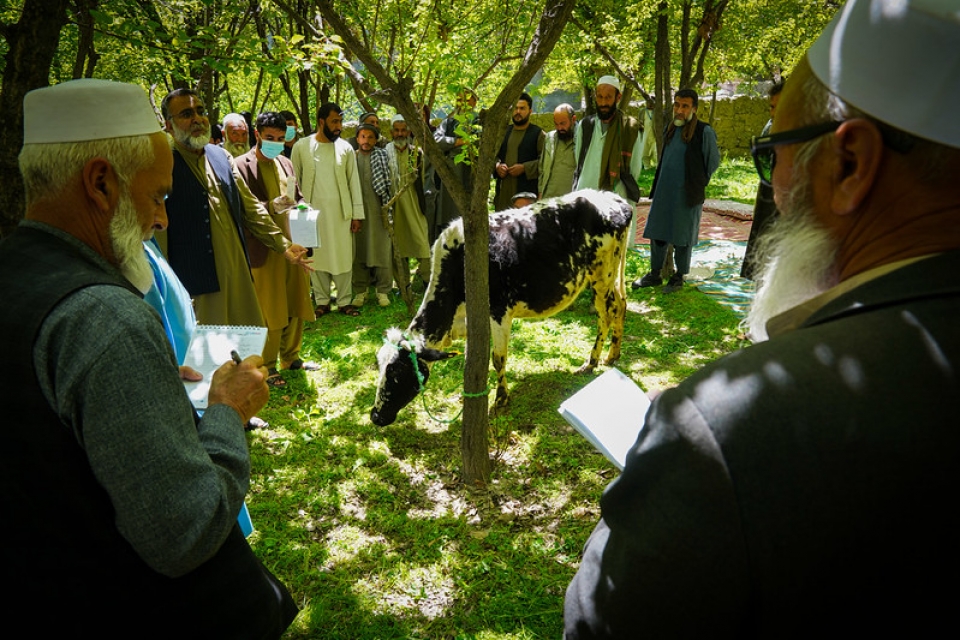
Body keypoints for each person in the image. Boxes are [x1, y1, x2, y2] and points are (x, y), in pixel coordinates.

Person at [564, 0, 960, 636]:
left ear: (850, 164)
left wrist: (685, 443)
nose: (774, 184)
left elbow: (598, 622)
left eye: (773, 149)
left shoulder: (720, 434)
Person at [0, 78, 298, 635]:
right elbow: (185, 531)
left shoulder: (20, 275)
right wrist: (228, 410)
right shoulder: (105, 318)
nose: (161, 220)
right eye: (158, 197)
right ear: (100, 182)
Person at [156, 88, 309, 327]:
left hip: (237, 274)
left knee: (244, 344)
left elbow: (251, 209)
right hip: (196, 280)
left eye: (200, 111)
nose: (197, 119)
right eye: (186, 114)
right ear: (168, 124)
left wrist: (284, 245)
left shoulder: (220, 157)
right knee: (207, 353)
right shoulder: (161, 163)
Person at [235, 111, 318, 381]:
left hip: (294, 244)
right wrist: (272, 206)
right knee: (270, 309)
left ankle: (291, 357)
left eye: (281, 139)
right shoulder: (240, 166)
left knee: (296, 301)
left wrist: (305, 209)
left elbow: (297, 196)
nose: (275, 143)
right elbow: (243, 211)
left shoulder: (285, 162)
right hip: (264, 248)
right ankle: (267, 364)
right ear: (257, 134)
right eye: (269, 138)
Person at [634, 88, 720, 293]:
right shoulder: (671, 128)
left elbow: (713, 162)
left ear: (694, 108)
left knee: (683, 236)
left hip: (688, 192)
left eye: (685, 106)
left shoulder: (703, 131)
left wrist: (698, 180)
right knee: (658, 230)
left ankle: (678, 276)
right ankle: (655, 274)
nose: (679, 110)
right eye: (677, 105)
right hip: (665, 189)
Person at [291, 101, 365, 317]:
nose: (338, 126)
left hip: (341, 213)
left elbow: (354, 182)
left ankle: (344, 301)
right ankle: (322, 301)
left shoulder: (346, 148)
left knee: (343, 256)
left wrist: (357, 215)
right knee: (317, 256)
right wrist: (296, 213)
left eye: (340, 121)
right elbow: (294, 179)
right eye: (334, 121)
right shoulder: (301, 146)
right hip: (311, 214)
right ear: (321, 122)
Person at [573, 75, 643, 235]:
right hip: (586, 194)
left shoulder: (631, 129)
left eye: (608, 97)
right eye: (600, 97)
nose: (603, 103)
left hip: (616, 197)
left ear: (618, 97)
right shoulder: (586, 125)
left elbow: (634, 169)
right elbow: (579, 160)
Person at [740, 81, 784, 279]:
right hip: (770, 201)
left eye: (779, 106)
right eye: (772, 107)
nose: (773, 113)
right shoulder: (771, 128)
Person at [385, 113, 432, 290]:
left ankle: (428, 281)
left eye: (403, 130)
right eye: (396, 130)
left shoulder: (417, 153)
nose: (400, 134)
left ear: (408, 131)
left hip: (414, 204)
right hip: (394, 205)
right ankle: (403, 285)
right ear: (391, 132)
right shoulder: (385, 153)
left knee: (422, 243)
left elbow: (424, 179)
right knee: (397, 246)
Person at [351, 123, 394, 307]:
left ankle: (383, 291)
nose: (366, 141)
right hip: (357, 214)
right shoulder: (350, 158)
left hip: (379, 212)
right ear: (357, 138)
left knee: (382, 250)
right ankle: (360, 291)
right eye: (362, 136)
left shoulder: (383, 157)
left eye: (370, 137)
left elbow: (391, 184)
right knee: (358, 251)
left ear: (376, 140)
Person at [433, 88, 478, 242]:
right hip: (451, 172)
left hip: (472, 172)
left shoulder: (478, 122)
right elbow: (436, 140)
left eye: (466, 100)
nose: (462, 103)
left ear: (474, 102)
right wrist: (456, 142)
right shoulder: (449, 122)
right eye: (459, 100)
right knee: (449, 217)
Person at [493, 91, 544, 211]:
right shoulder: (503, 133)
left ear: (530, 111)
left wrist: (525, 168)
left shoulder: (538, 134)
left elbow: (545, 163)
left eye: (522, 108)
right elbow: (492, 157)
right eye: (515, 108)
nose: (518, 112)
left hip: (526, 198)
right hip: (503, 195)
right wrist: (497, 166)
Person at [539, 103, 577, 199]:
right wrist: (540, 192)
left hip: (571, 201)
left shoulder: (583, 139)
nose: (559, 128)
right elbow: (541, 168)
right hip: (548, 199)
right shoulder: (549, 138)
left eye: (563, 123)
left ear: (573, 119)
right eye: (556, 124)